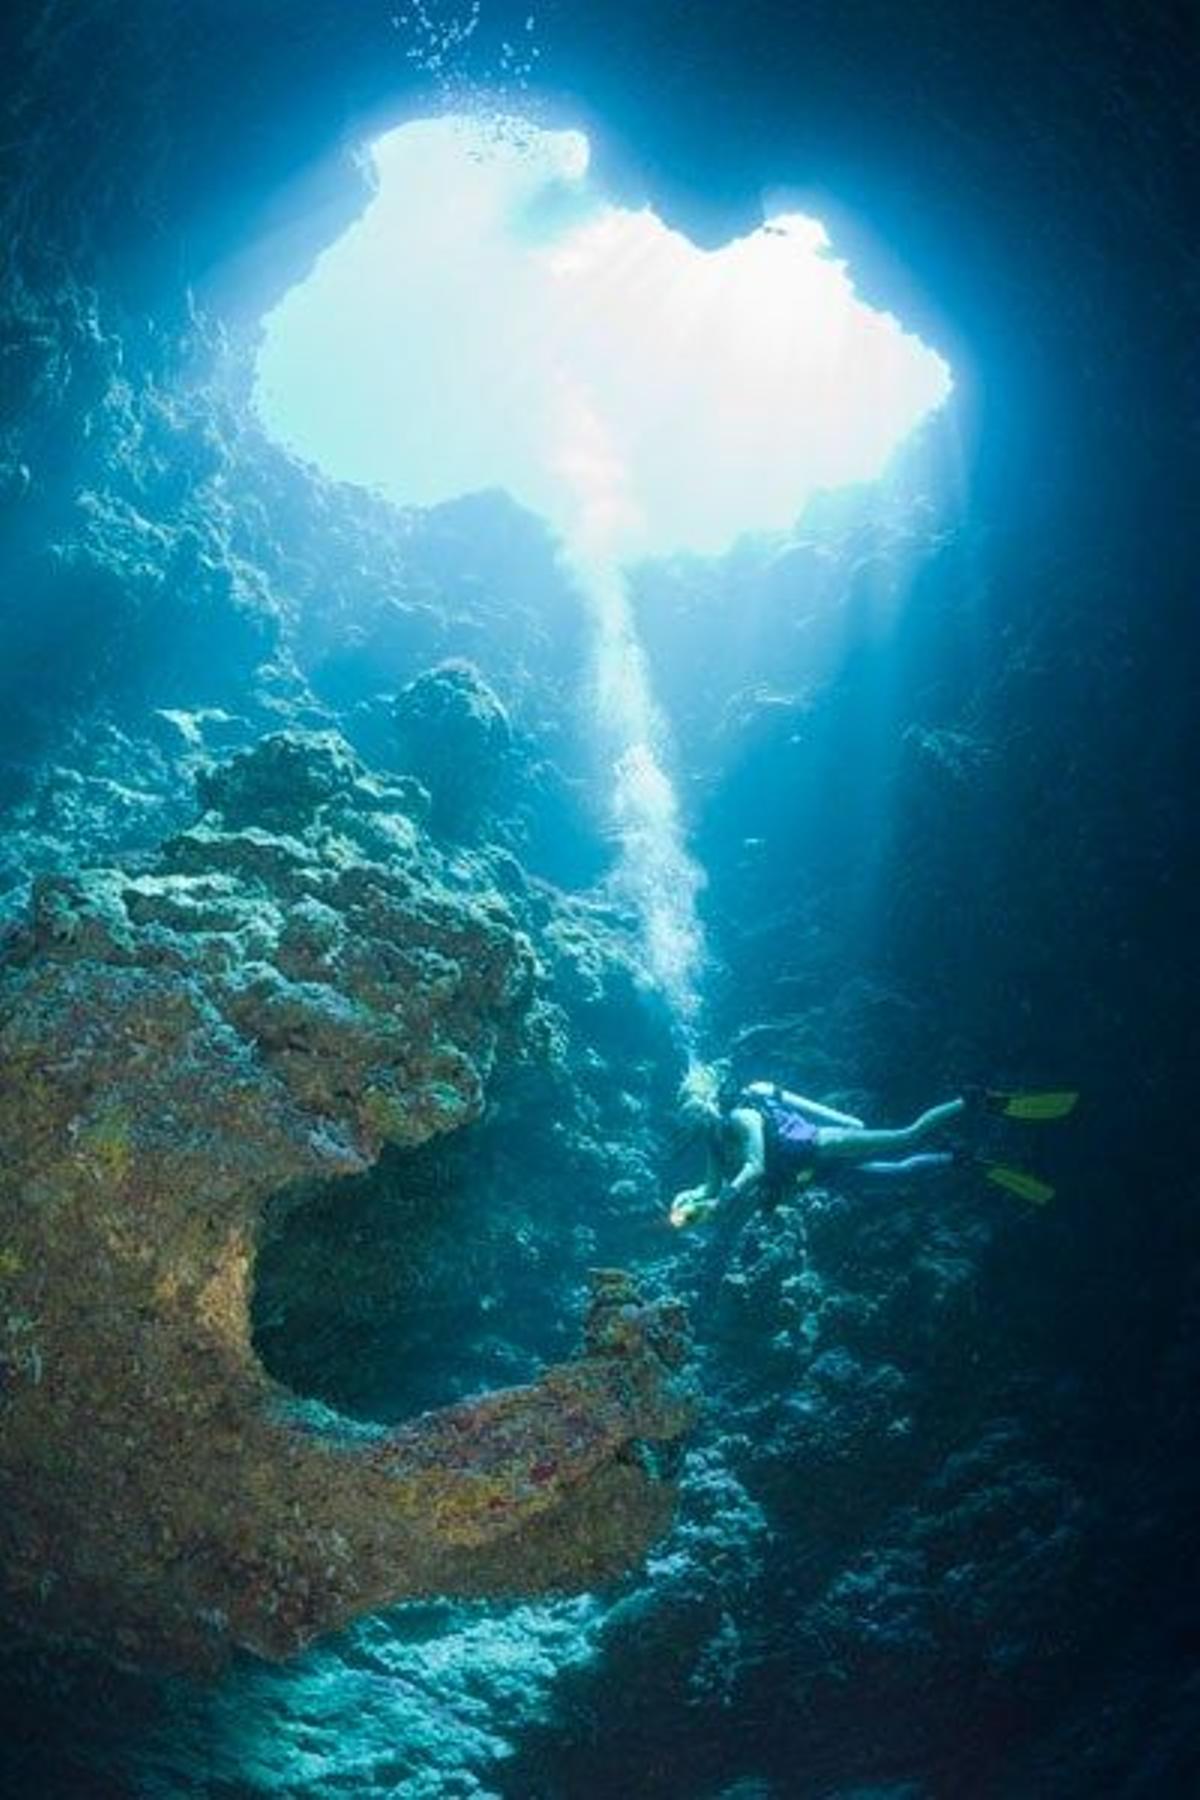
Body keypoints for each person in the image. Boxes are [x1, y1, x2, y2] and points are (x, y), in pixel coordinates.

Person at [669, 1067, 1076, 1227]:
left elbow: (756, 1165)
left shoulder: (742, 1117)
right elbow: (708, 1189)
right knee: (896, 1177)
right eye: (684, 1117)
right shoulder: (714, 1145)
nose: (689, 1122)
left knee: (906, 1136)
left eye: (691, 1112)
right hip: (815, 1174)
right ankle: (963, 1160)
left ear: (705, 1105)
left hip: (822, 1147)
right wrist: (685, 1199)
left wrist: (727, 1200)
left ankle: (974, 1100)